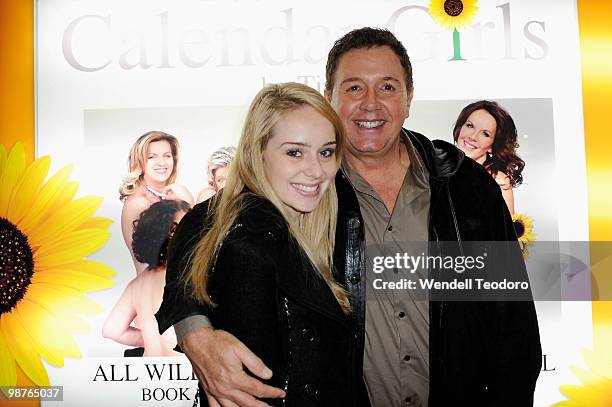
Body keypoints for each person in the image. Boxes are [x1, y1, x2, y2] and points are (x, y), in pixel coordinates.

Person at [158, 28, 541, 407]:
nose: (370, 104)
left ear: (409, 98)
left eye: (388, 87)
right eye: (354, 88)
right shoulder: (306, 182)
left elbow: (514, 328)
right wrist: (195, 332)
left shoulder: (466, 186)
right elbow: (199, 227)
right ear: (330, 98)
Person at [162, 82, 367, 406]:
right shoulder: (249, 241)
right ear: (257, 153)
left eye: (326, 151)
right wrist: (195, 333)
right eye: (294, 152)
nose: (316, 169)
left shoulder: (329, 210)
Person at [103, 199, 190, 356]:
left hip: (150, 372)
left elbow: (111, 329)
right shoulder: (187, 274)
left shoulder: (137, 284)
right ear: (169, 233)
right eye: (186, 224)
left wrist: (151, 338)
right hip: (184, 372)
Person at [119, 131, 194, 274]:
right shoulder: (139, 203)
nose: (162, 163)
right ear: (139, 162)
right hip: (156, 291)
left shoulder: (166, 196)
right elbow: (169, 256)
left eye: (167, 156)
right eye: (152, 157)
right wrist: (188, 205)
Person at [453, 100, 525, 214]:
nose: (473, 137)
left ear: (493, 145)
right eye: (470, 126)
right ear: (460, 127)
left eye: (485, 134)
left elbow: (507, 231)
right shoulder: (438, 169)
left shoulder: (498, 181)